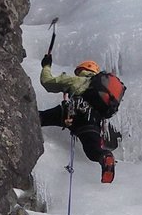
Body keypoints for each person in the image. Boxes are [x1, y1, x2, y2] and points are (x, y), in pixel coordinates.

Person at [38, 55, 116, 183]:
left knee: (39, 118)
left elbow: (47, 82)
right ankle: (105, 156)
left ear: (81, 70)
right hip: (93, 122)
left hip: (73, 113)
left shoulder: (75, 80)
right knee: (92, 151)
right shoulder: (103, 89)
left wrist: (46, 65)